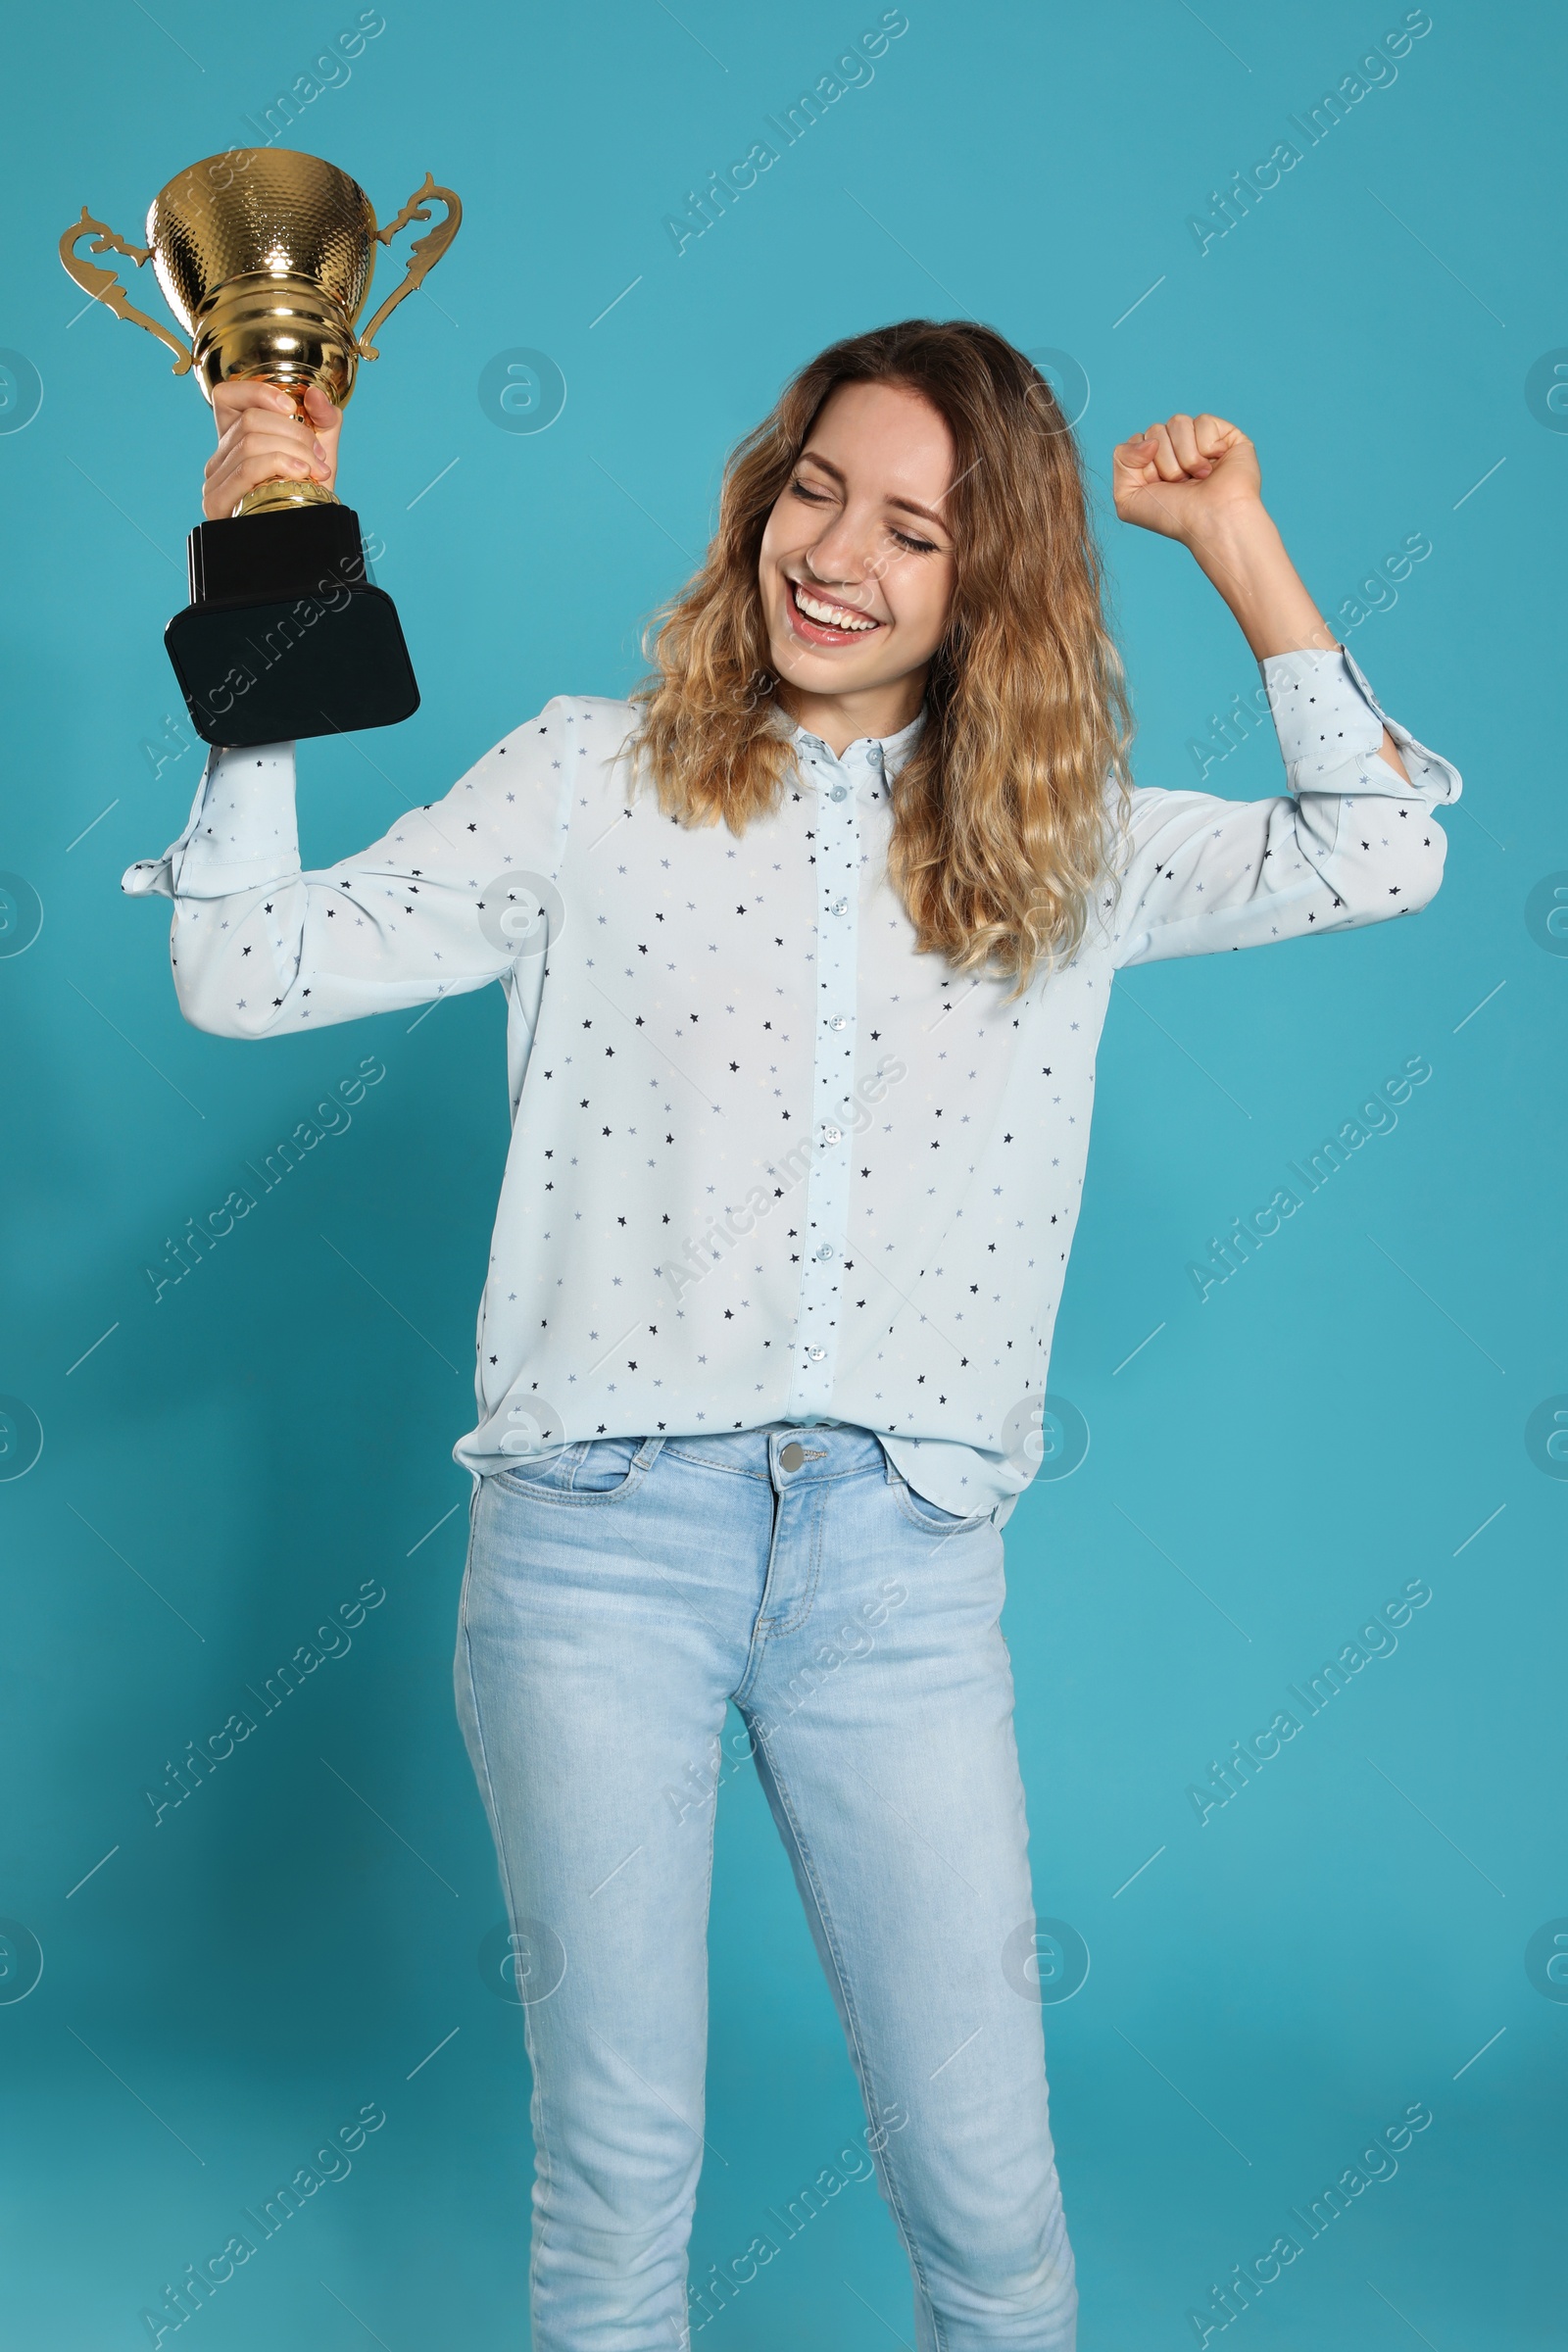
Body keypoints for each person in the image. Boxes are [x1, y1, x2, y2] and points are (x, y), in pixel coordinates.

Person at [124, 319, 1460, 2352]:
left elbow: (1378, 845)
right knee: (616, 2197)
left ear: (981, 580)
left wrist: (1236, 545)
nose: (832, 550)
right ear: (761, 490)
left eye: (912, 526)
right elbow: (245, 973)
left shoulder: (1065, 833)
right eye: (813, 486)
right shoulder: (587, 775)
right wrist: (262, 592)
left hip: (898, 1574)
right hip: (591, 1556)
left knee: (990, 2208)